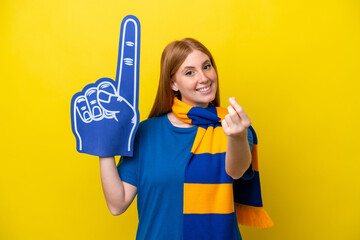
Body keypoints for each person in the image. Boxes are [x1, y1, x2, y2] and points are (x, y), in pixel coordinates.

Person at [99, 38, 259, 240]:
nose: (204, 78)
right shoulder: (146, 132)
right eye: (190, 72)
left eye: (207, 67)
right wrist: (102, 146)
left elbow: (236, 171)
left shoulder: (232, 126)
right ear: (173, 83)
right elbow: (117, 203)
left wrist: (237, 137)